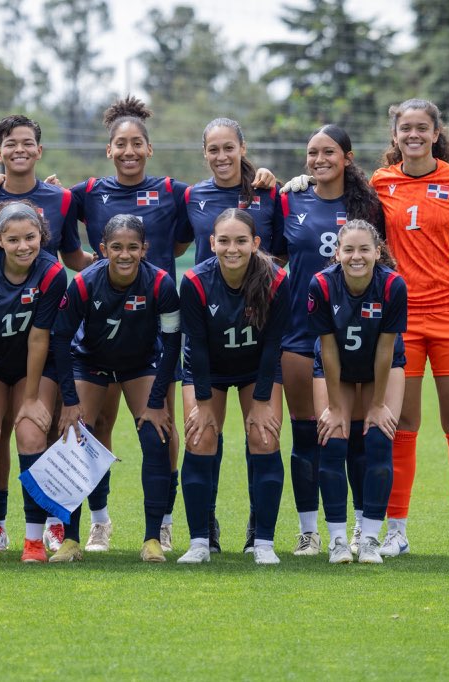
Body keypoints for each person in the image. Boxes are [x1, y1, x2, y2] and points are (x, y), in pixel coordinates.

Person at [369, 98, 449, 558]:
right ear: (395, 135)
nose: (414, 135)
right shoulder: (379, 183)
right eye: (406, 128)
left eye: (422, 128)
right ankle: (396, 531)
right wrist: (302, 182)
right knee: (401, 423)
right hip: (399, 320)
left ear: (436, 132)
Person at [0, 114, 93, 554]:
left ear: (39, 149)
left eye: (28, 143)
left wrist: (117, 268)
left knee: (36, 430)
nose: (21, 244)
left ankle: (46, 528)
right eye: (10, 144)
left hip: (43, 345)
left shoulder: (59, 204)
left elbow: (73, 254)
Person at [277, 125, 386, 557]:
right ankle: (309, 531)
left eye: (328, 152)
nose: (318, 159)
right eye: (311, 153)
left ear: (347, 157)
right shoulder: (290, 199)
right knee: (307, 435)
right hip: (300, 332)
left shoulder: (368, 206)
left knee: (353, 435)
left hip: (355, 336)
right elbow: (269, 255)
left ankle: (360, 528)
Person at [178, 117, 285, 551]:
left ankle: (260, 538)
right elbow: (196, 348)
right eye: (213, 149)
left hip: (255, 339)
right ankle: (203, 536)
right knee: (201, 433)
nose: (221, 156)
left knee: (264, 432)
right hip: (212, 335)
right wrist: (202, 399)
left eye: (229, 147)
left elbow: (275, 344)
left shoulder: (269, 193)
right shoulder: (190, 198)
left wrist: (262, 395)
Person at [50, 214, 181, 563]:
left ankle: (153, 538)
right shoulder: (83, 283)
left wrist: (156, 403)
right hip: (90, 361)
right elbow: (60, 338)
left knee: (156, 435)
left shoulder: (161, 284)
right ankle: (71, 539)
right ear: (103, 249)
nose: (125, 255)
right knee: (74, 436)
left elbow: (171, 343)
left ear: (145, 249)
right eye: (117, 247)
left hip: (139, 364)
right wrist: (68, 401)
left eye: (133, 247)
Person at [0, 201, 67, 563]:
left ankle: (34, 541)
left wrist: (32, 397)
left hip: (32, 366)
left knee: (31, 432)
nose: (24, 246)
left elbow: (39, 339)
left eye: (31, 237)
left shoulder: (52, 273)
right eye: (14, 239)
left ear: (42, 236)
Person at [308, 219, 407, 564]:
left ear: (378, 252)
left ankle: (369, 539)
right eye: (348, 249)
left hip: (382, 365)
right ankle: (337, 540)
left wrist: (378, 404)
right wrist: (335, 406)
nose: (356, 256)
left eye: (364, 249)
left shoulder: (393, 285)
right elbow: (328, 348)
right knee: (333, 438)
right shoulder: (321, 284)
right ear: (337, 253)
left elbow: (385, 350)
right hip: (338, 368)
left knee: (379, 437)